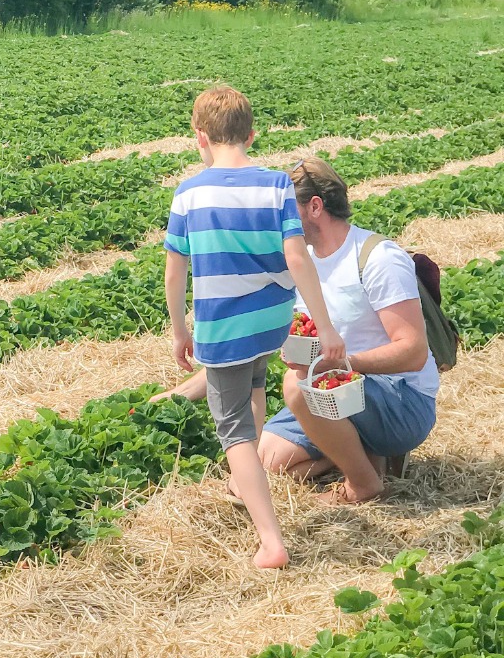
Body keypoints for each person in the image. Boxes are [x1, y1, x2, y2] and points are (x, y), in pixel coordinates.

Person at [163, 87, 345, 569]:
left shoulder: (190, 192)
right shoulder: (276, 186)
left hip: (223, 325)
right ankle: (242, 484)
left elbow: (174, 271)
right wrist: (325, 328)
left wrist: (180, 330)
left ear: (198, 137)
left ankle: (271, 541)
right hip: (271, 318)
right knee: (256, 381)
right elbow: (295, 257)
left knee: (233, 430)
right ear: (251, 134)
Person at [258, 158, 439, 504]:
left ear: (314, 207)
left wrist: (344, 365)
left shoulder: (376, 259)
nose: (278, 220)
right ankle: (361, 455)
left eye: (285, 209)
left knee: (296, 387)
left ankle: (363, 483)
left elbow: (413, 351)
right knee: (269, 460)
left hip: (401, 399)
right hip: (336, 392)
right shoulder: (303, 261)